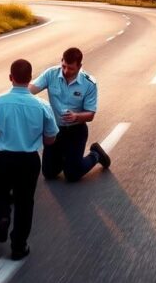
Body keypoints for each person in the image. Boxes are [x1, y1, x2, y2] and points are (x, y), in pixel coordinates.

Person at [0, 58, 58, 260]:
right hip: (29, 161)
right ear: (30, 78)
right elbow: (50, 139)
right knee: (25, 203)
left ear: (10, 77)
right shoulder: (42, 106)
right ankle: (18, 247)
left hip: (3, 159)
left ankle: (3, 216)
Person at [28, 47, 111, 182]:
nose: (66, 71)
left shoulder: (89, 83)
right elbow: (30, 90)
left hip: (76, 131)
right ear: (61, 61)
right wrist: (15, 95)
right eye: (64, 66)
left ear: (79, 66)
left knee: (72, 175)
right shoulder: (51, 74)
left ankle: (95, 155)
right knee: (49, 173)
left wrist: (76, 116)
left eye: (71, 68)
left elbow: (90, 115)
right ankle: (66, 158)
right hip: (55, 130)